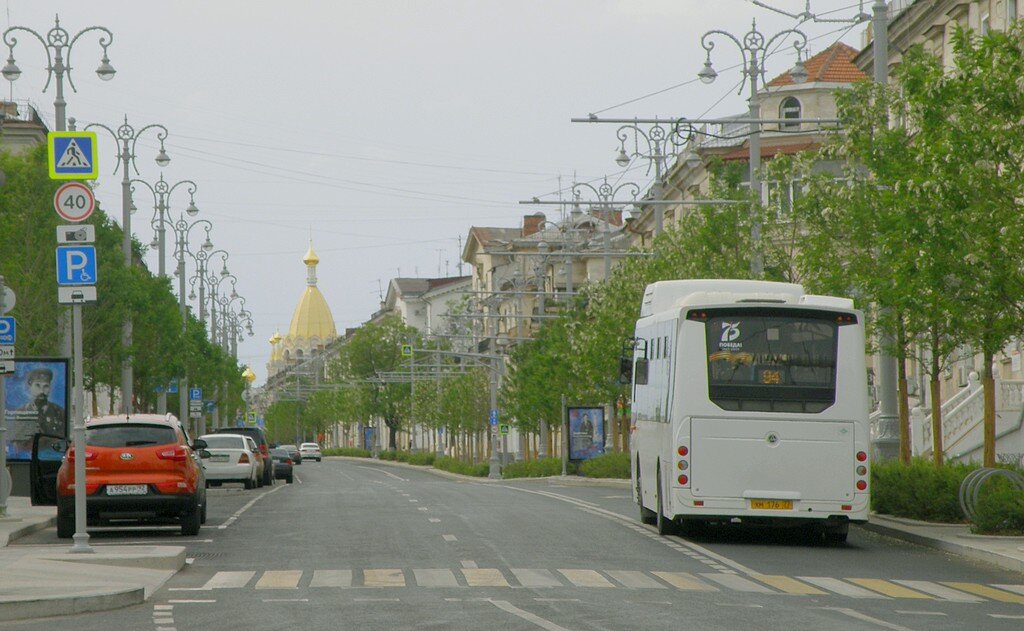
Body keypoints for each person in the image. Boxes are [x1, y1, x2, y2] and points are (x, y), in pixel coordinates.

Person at [16, 368, 66, 437]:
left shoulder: (59, 412)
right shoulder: (21, 412)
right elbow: (17, 443)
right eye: (37, 386)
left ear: (50, 388)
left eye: (46, 386)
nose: (42, 391)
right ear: (30, 387)